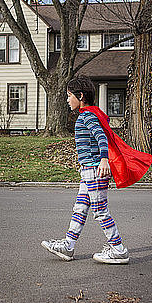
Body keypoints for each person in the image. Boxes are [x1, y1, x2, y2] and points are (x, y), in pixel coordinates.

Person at [41, 77, 129, 264]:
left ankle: (118, 249)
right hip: (88, 171)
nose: (67, 100)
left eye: (69, 95)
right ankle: (68, 246)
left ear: (80, 96)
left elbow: (101, 137)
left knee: (100, 210)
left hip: (94, 170)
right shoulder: (89, 114)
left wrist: (104, 160)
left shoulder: (87, 116)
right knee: (80, 208)